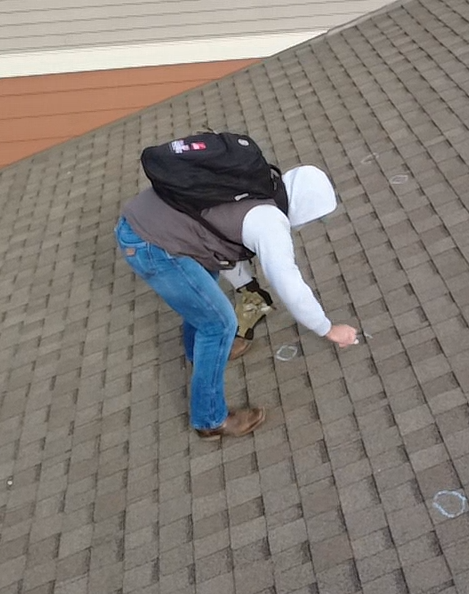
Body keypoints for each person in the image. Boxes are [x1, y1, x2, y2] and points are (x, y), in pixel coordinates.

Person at [116, 165, 358, 439]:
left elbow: (224, 249)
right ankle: (210, 419)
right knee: (219, 325)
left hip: (151, 220)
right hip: (150, 243)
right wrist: (327, 329)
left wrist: (246, 285)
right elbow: (289, 285)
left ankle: (200, 353)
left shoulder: (260, 185)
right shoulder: (269, 222)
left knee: (202, 296)